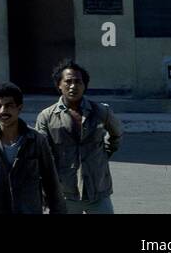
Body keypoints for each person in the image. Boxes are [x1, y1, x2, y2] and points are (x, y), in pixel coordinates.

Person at [0, 82, 67, 214]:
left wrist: (58, 210)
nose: (3, 111)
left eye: (9, 105)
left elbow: (51, 181)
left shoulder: (37, 140)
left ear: (19, 107)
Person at [35, 59, 123, 214]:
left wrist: (103, 154)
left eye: (78, 82)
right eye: (68, 81)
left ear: (85, 85)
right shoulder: (46, 117)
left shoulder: (101, 111)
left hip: (97, 190)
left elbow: (116, 134)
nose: (73, 86)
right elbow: (42, 156)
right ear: (59, 85)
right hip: (64, 193)